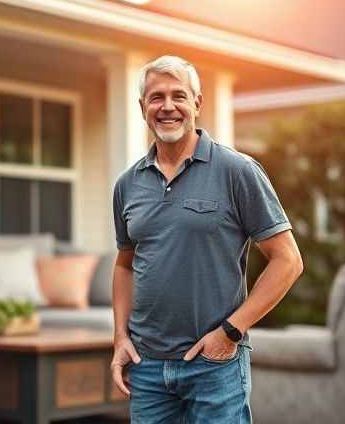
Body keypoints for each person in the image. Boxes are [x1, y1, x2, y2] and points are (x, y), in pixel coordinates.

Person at [110, 55, 303, 423]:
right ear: (142, 108)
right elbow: (125, 265)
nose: (168, 107)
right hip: (147, 368)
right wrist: (121, 337)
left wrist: (230, 332)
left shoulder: (237, 171)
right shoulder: (128, 184)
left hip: (215, 365)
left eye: (179, 96)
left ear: (197, 103)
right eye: (156, 97)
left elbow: (288, 260)